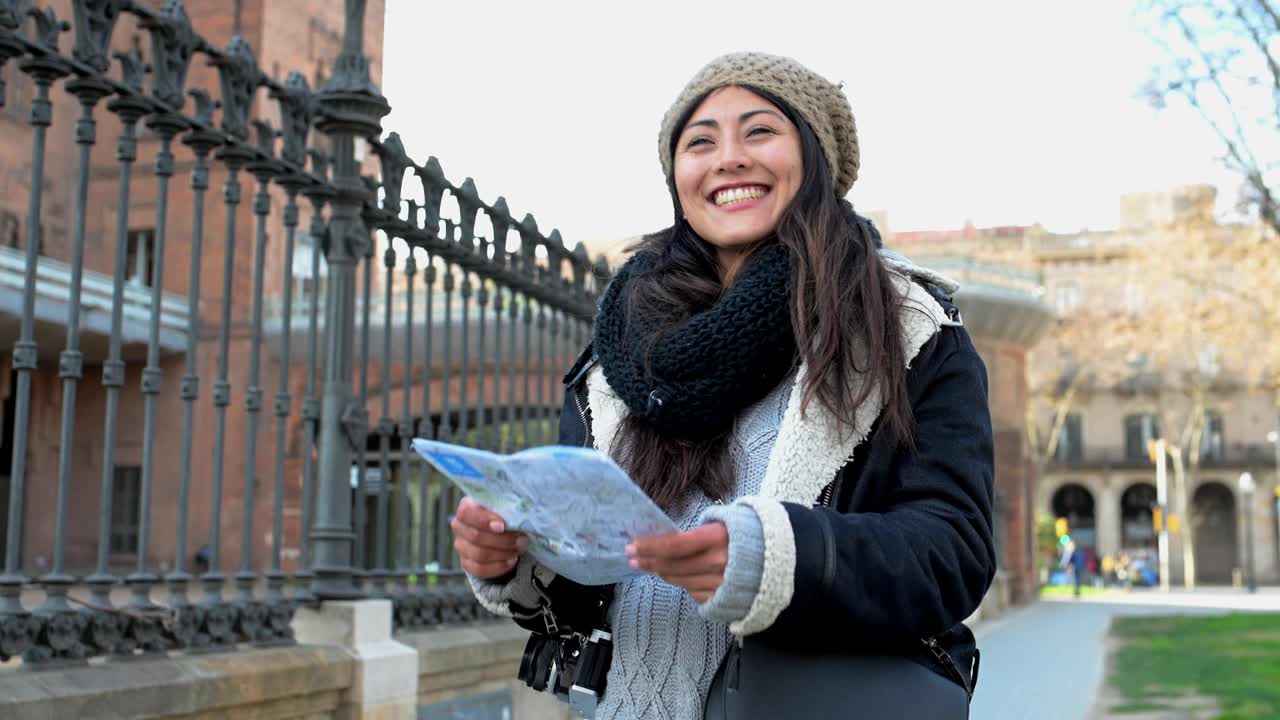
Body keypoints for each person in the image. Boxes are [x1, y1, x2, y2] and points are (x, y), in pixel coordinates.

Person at [451, 51, 996, 719]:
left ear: (815, 158)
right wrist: (514, 557)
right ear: (677, 177)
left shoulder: (907, 331)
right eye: (699, 142)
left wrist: (775, 558)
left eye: (760, 131)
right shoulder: (618, 352)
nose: (728, 158)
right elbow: (587, 583)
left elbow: (953, 550)